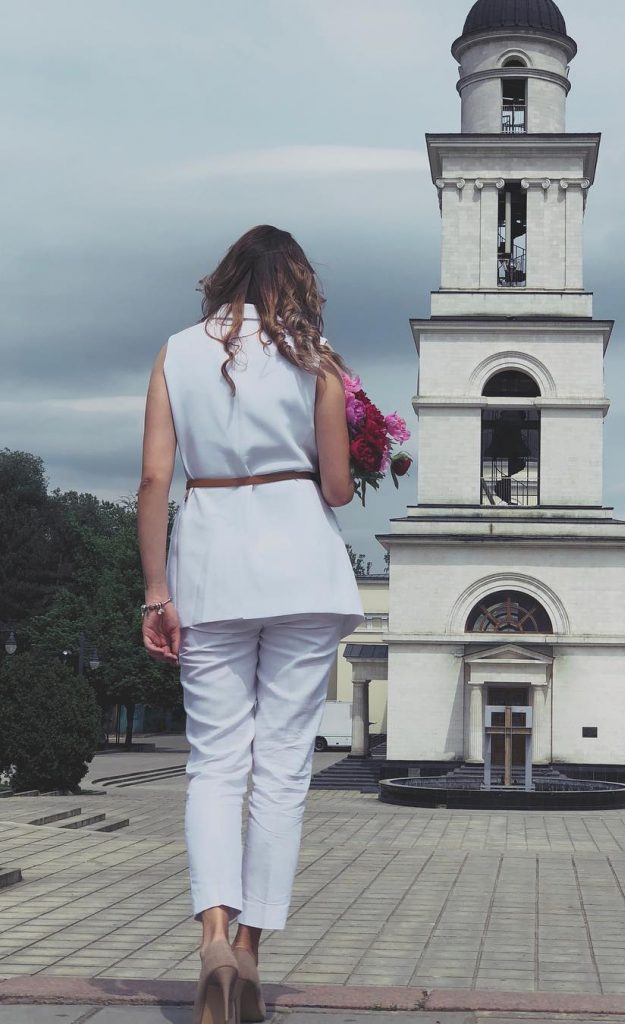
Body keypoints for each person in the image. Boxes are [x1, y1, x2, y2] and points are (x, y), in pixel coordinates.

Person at [137, 225, 366, 1024]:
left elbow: (154, 480)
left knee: (214, 761)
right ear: (294, 282)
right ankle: (252, 953)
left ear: (223, 277)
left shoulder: (175, 352)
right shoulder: (317, 359)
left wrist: (156, 593)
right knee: (280, 767)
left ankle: (210, 937)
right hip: (301, 564)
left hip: (208, 563)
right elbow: (336, 489)